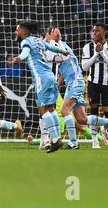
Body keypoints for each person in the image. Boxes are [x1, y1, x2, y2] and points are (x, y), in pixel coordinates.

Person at [12, 21, 70, 153]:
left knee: (43, 110)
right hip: (50, 76)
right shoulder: (38, 40)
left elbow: (25, 52)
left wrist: (19, 58)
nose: (16, 32)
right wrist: (64, 51)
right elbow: (52, 48)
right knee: (51, 108)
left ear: (24, 32)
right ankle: (57, 138)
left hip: (41, 77)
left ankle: (55, 140)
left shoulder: (25, 42)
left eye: (18, 30)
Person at [56, 29, 108, 149]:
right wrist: (56, 85)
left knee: (64, 111)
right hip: (73, 84)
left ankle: (73, 142)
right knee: (82, 119)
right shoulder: (57, 52)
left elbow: (53, 57)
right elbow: (60, 74)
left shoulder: (61, 47)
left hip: (75, 83)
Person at [81, 23, 108, 144]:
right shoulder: (87, 47)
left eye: (98, 30)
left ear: (105, 32)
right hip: (92, 83)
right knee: (93, 112)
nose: (95, 33)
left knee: (107, 113)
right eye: (94, 31)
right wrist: (96, 54)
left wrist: (102, 54)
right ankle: (95, 141)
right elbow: (84, 66)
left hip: (107, 84)